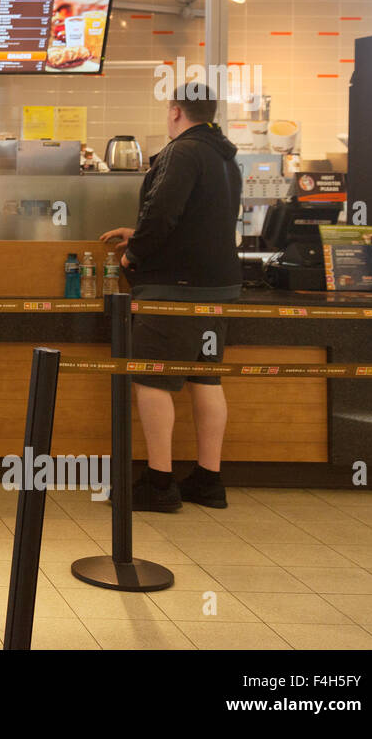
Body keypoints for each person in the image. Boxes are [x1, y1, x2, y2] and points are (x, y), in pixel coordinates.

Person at [100, 82, 242, 512]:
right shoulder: (225, 158)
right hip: (218, 288)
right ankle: (208, 479)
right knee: (205, 376)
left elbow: (163, 213)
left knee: (151, 377)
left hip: (174, 290)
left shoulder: (182, 152)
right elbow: (196, 219)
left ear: (176, 110)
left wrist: (134, 254)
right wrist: (138, 233)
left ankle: (160, 483)